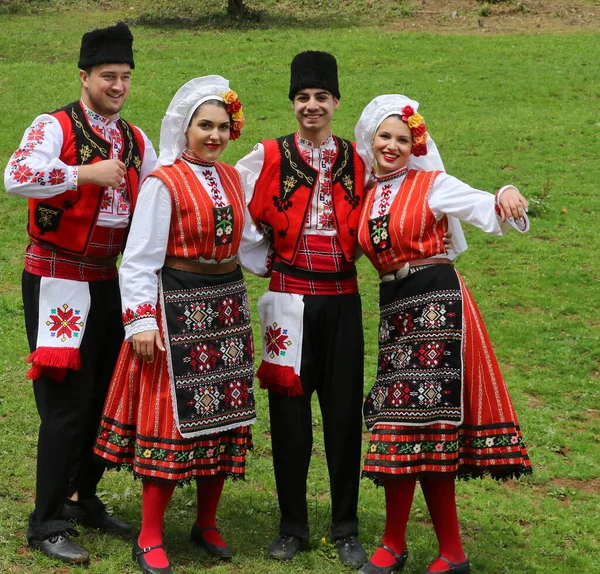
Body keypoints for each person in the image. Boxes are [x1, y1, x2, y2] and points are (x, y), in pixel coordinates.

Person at [353, 94, 533, 574]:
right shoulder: (366, 194)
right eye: (385, 136)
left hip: (435, 306)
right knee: (398, 423)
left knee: (423, 426)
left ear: (417, 144)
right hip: (395, 311)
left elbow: (481, 203)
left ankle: (427, 549)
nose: (392, 145)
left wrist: (506, 192)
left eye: (403, 138)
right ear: (370, 140)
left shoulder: (432, 183)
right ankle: (426, 550)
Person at [4, 23, 157, 565]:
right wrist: (82, 174)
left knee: (104, 398)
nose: (118, 86)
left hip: (108, 278)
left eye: (125, 77)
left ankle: (81, 496)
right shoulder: (55, 125)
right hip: (56, 276)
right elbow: (15, 174)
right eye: (108, 76)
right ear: (84, 76)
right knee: (66, 404)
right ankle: (44, 521)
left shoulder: (138, 141)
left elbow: (157, 201)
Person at [93, 75, 256, 574]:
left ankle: (206, 522)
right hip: (178, 305)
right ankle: (148, 535)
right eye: (204, 126)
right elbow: (140, 259)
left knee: (224, 417)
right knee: (171, 419)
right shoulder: (163, 182)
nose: (214, 135)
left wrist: (297, 266)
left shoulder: (232, 177)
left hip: (227, 306)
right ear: (184, 129)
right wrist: (141, 320)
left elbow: (249, 244)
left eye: (222, 127)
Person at [236, 51, 368, 568]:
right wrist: (260, 259)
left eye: (321, 98)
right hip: (287, 297)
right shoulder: (268, 154)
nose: (311, 106)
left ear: (335, 103)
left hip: (342, 297)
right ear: (293, 104)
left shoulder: (358, 158)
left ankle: (346, 525)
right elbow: (238, 204)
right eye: (302, 98)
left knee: (341, 414)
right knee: (288, 414)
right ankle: (292, 524)